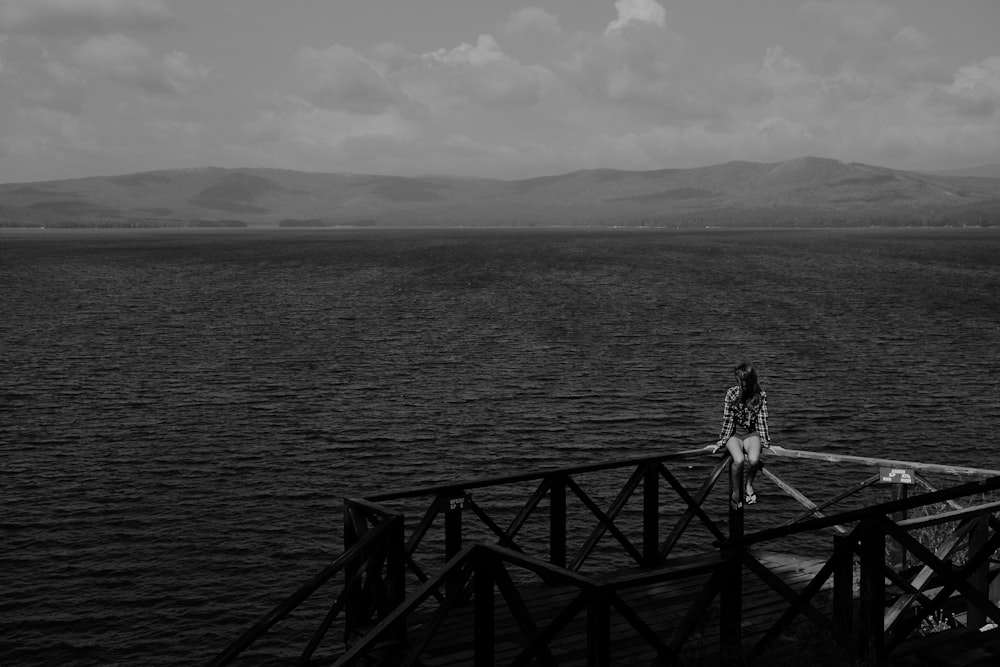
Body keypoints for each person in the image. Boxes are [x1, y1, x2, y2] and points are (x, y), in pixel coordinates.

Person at [709, 362, 771, 509]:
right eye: (740, 381)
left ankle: (749, 485)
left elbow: (762, 421)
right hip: (734, 435)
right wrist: (720, 442)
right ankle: (736, 492)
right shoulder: (731, 393)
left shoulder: (760, 395)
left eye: (745, 381)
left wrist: (767, 443)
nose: (742, 384)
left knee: (754, 460)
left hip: (751, 434)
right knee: (739, 460)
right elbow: (728, 420)